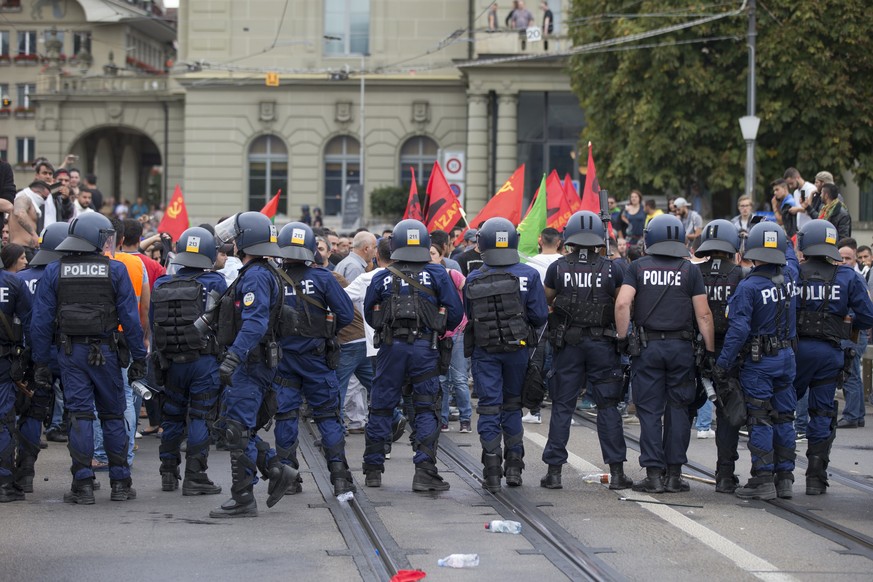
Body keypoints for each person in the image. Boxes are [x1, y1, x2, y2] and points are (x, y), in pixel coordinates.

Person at [30, 212, 148, 504]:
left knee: (80, 415)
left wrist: (41, 362)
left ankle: (82, 484)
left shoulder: (54, 271)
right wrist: (139, 358)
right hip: (106, 352)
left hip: (71, 353)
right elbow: (131, 321)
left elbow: (40, 322)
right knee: (112, 415)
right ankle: (120, 483)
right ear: (98, 238)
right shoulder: (116, 270)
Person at [615, 214, 715, 494]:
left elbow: (623, 304)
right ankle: (674, 475)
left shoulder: (637, 267)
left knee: (649, 411)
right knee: (679, 410)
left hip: (647, 349)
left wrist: (623, 339)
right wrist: (708, 350)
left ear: (650, 238)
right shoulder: (690, 270)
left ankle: (653, 475)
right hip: (682, 349)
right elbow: (704, 315)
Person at [362, 219, 463, 491]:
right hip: (425, 349)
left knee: (381, 405)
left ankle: (373, 469)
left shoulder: (382, 276)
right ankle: (425, 471)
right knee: (426, 407)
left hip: (390, 349)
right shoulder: (439, 274)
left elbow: (371, 314)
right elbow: (455, 315)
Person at [209, 212, 298, 518]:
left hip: (250, 363)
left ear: (246, 241)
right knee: (237, 426)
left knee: (237, 430)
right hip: (254, 361)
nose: (231, 243)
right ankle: (275, 468)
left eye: (235, 238)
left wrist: (234, 356)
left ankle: (243, 497)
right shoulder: (258, 272)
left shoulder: (258, 275)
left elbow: (255, 323)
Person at [541, 211, 631, 490]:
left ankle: (554, 472)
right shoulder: (613, 268)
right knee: (607, 407)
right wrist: (622, 338)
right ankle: (616, 473)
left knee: (562, 406)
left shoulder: (558, 267)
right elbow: (621, 304)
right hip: (603, 345)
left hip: (568, 345)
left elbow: (546, 300)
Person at [712, 222, 799, 500]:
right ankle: (784, 478)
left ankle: (762, 478)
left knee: (759, 419)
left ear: (751, 252)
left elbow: (738, 331)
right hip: (787, 358)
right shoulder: (789, 281)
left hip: (760, 362)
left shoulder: (748, 287)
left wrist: (723, 364)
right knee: (784, 417)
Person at [464, 217, 548, 492]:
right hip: (518, 350)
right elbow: (539, 317)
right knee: (512, 406)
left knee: (488, 408)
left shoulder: (474, 277)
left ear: (483, 243)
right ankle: (514, 466)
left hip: (485, 352)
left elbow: (468, 316)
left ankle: (490, 470)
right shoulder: (530, 275)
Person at [272, 222, 356, 496]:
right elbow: (346, 314)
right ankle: (340, 477)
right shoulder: (323, 278)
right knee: (327, 417)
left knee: (286, 416)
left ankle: (288, 477)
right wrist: (325, 332)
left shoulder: (272, 278)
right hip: (318, 359)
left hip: (283, 360)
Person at [792, 220, 873, 495]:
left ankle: (777, 476)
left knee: (780, 412)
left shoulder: (794, 273)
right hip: (829, 354)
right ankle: (815, 477)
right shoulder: (848, 276)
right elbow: (867, 315)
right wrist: (847, 321)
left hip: (796, 352)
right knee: (822, 414)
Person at [152, 227, 227, 496]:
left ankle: (168, 473)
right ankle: (196, 476)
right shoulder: (216, 283)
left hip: (171, 362)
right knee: (200, 417)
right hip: (204, 361)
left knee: (171, 417)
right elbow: (226, 322)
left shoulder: (162, 283)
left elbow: (154, 323)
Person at [12, 223, 70, 499]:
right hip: (69, 353)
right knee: (81, 413)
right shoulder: (68, 277)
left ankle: (25, 474)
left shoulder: (20, 278)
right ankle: (83, 477)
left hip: (30, 356)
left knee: (31, 413)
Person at [693, 220, 747, 492]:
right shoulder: (741, 274)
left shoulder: (692, 272)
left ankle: (670, 472)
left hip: (694, 348)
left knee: (680, 408)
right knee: (727, 414)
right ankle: (725, 475)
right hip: (730, 352)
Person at [0, 242, 34, 502]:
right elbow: (30, 324)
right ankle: (4, 484)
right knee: (3, 421)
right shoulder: (13, 283)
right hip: (4, 362)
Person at [429, 244, 472, 434]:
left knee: (460, 379)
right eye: (427, 254)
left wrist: (467, 320)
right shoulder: (426, 277)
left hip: (459, 331)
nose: (430, 257)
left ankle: (465, 419)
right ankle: (443, 419)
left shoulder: (452, 274)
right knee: (442, 380)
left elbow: (470, 292)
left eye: (433, 254)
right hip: (438, 334)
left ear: (441, 256)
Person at [836, 241, 870, 429]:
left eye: (848, 258)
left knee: (850, 373)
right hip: (849, 330)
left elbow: (865, 307)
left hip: (854, 331)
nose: (843, 261)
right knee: (852, 371)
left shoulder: (856, 278)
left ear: (855, 258)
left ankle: (852, 415)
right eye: (840, 258)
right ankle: (857, 415)